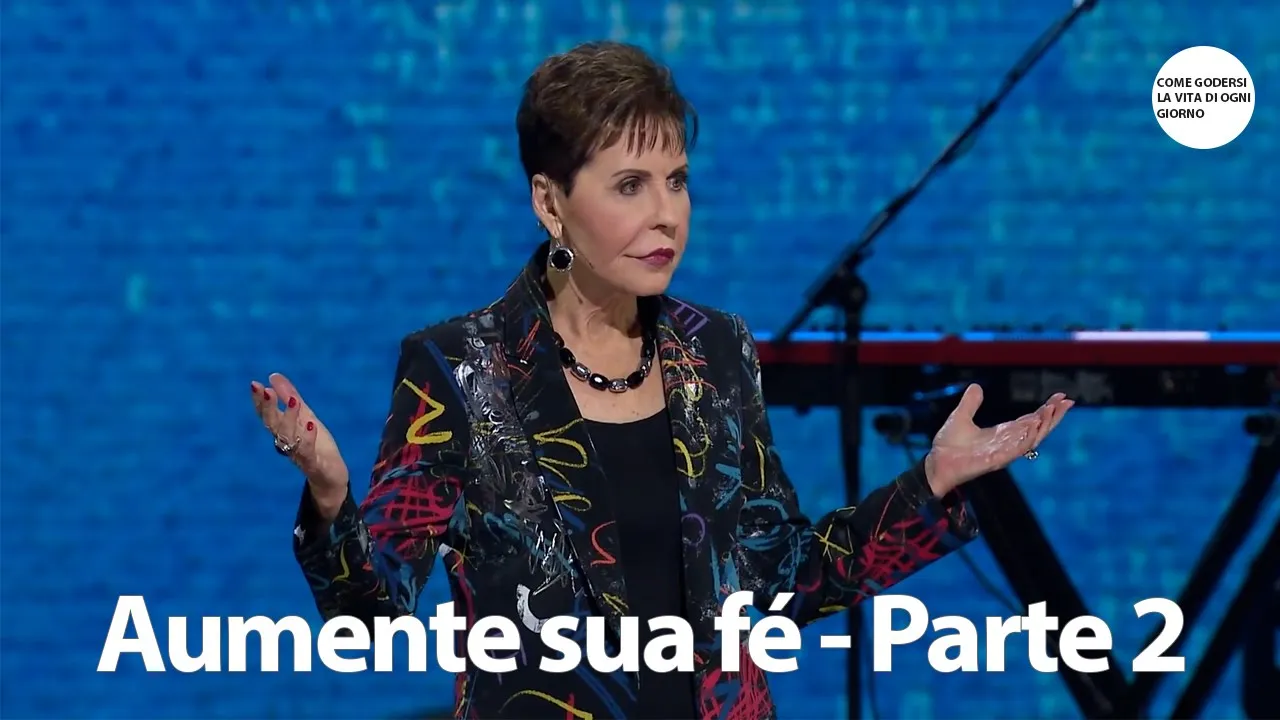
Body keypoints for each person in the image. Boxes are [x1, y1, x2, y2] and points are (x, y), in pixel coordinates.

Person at [249, 40, 1073, 720]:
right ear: (550, 202)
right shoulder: (460, 369)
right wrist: (329, 496)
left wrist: (931, 485)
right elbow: (370, 618)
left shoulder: (715, 351)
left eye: (676, 181)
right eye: (629, 186)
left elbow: (779, 577)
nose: (666, 214)